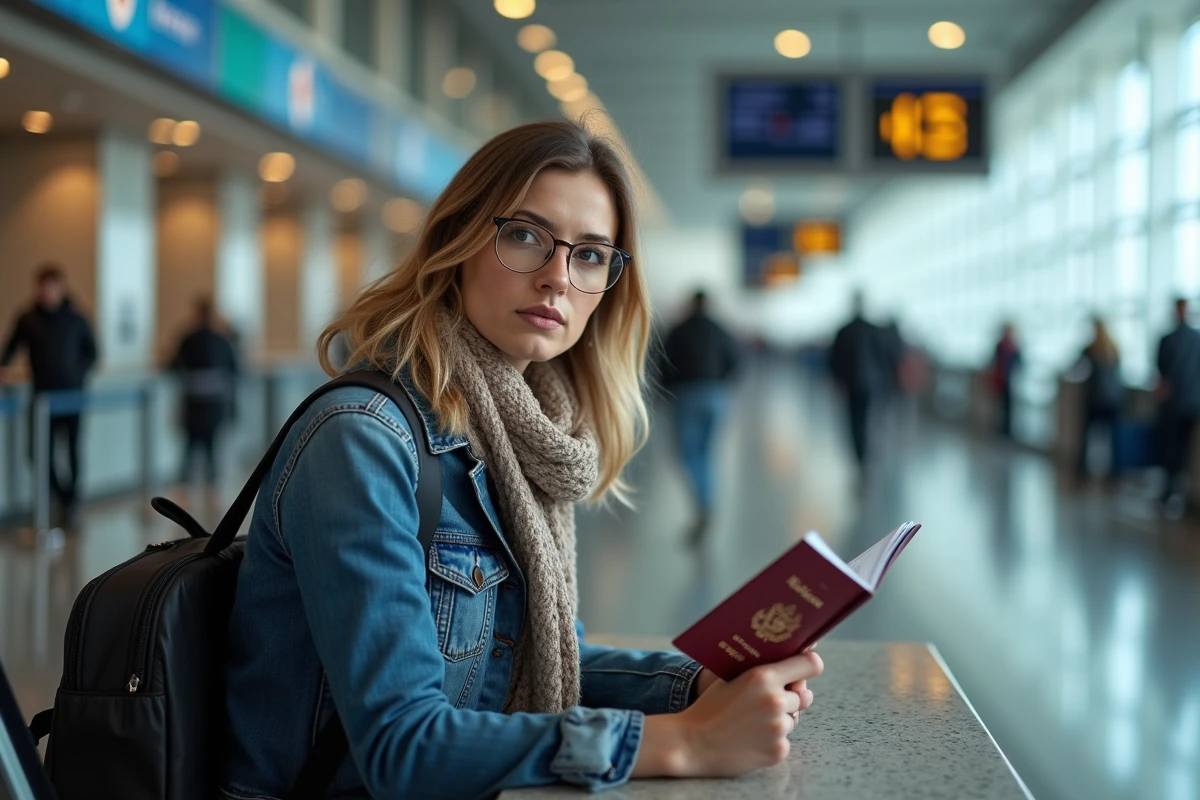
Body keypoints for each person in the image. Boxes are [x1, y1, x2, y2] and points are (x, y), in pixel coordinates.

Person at [221, 121, 823, 800]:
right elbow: (401, 746)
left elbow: (523, 656)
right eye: (526, 236)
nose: (557, 279)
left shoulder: (517, 436)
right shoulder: (363, 440)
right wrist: (686, 741)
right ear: (460, 240)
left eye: (591, 254)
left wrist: (695, 684)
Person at [0, 264, 98, 527]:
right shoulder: (28, 318)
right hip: (42, 397)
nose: (47, 293)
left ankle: (72, 503)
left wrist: (78, 374)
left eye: (51, 287)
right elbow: (9, 347)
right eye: (42, 288)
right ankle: (64, 499)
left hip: (72, 397)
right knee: (38, 454)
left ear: (60, 288)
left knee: (72, 451)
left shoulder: (77, 318)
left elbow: (93, 352)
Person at [661, 290, 740, 545]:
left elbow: (663, 364)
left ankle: (703, 503)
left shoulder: (678, 330)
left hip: (686, 396)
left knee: (687, 455)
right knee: (706, 453)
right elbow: (736, 362)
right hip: (716, 396)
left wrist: (665, 393)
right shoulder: (721, 329)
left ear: (691, 304)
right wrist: (722, 386)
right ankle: (707, 502)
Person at [170, 297, 239, 487]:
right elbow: (235, 368)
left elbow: (172, 365)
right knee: (211, 442)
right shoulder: (221, 340)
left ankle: (186, 481)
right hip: (214, 400)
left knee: (191, 441)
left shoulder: (188, 338)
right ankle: (212, 481)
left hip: (193, 398)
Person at [829, 292, 886, 468]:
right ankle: (865, 453)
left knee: (855, 421)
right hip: (870, 384)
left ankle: (860, 454)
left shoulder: (844, 331)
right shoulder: (874, 330)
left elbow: (834, 359)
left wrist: (837, 381)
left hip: (851, 383)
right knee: (867, 418)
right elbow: (883, 357)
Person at [1155, 298, 1200, 517]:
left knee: (1171, 449)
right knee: (1181, 450)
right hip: (1191, 403)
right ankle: (1179, 491)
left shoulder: (1167, 340)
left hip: (1175, 404)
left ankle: (1170, 491)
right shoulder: (1196, 339)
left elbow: (1162, 376)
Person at [1075, 318, 1124, 482]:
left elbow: (1075, 366)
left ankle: (1082, 471)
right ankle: (1114, 473)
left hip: (1095, 400)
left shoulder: (1090, 349)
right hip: (1114, 399)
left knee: (1086, 437)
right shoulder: (1114, 347)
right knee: (1113, 439)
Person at [990, 323, 1022, 439]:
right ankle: (1001, 430)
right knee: (1000, 406)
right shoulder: (1000, 346)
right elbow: (994, 362)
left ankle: (1008, 432)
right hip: (1001, 381)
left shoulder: (1014, 347)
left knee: (1010, 408)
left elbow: (1020, 363)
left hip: (1011, 381)